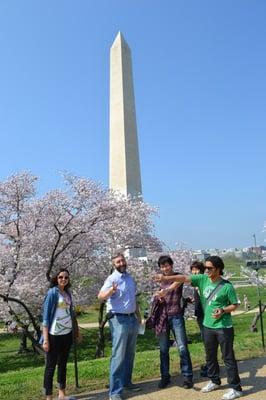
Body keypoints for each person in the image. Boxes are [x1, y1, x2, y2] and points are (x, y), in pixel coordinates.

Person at [154, 255, 243, 400]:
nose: (206, 270)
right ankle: (214, 380)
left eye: (209, 268)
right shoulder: (202, 279)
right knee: (210, 356)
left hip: (223, 327)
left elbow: (235, 304)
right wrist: (164, 279)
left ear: (218, 269)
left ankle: (236, 388)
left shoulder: (227, 286)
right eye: (205, 267)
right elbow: (183, 278)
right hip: (207, 325)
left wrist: (223, 310)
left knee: (228, 358)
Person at [98, 253, 141, 400]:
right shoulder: (112, 279)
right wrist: (111, 291)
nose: (121, 263)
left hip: (132, 319)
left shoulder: (129, 278)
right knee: (118, 356)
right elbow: (100, 296)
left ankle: (127, 382)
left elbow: (133, 299)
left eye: (123, 260)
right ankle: (115, 392)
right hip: (118, 319)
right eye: (118, 262)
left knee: (130, 354)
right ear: (114, 264)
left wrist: (139, 317)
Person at [154, 255, 193, 389]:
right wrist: (158, 296)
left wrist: (167, 290)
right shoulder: (159, 280)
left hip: (176, 316)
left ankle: (187, 376)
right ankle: (165, 377)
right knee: (163, 349)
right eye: (162, 266)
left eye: (167, 265)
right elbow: (158, 294)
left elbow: (177, 283)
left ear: (171, 265)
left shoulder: (178, 276)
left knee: (182, 347)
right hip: (163, 318)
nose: (165, 268)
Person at [41, 269, 78, 400]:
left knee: (62, 364)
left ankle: (62, 394)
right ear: (56, 278)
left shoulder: (67, 293)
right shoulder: (52, 293)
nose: (63, 279)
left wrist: (76, 331)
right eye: (61, 277)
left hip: (66, 334)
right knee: (50, 366)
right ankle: (48, 396)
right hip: (53, 335)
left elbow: (71, 314)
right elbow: (45, 318)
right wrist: (45, 340)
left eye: (66, 277)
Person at [190, 260, 208, 377]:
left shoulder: (204, 281)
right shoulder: (196, 284)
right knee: (205, 340)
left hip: (206, 315)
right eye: (193, 270)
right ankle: (210, 363)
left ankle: (210, 365)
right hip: (200, 315)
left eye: (196, 269)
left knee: (208, 341)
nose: (194, 272)